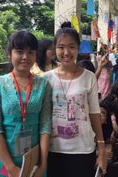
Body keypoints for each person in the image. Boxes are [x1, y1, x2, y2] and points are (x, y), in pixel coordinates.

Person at [43, 22, 107, 177]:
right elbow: (43, 116)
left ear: (78, 48)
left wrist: (102, 149)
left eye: (71, 46)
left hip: (83, 150)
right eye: (61, 47)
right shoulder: (45, 79)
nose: (66, 52)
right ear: (55, 49)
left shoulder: (89, 77)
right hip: (53, 150)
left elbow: (94, 114)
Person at [0, 30, 52, 177]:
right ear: (9, 54)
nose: (25, 57)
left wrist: (43, 164)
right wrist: (11, 168)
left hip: (34, 159)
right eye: (19, 51)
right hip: (5, 160)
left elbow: (45, 126)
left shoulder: (43, 84)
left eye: (31, 52)